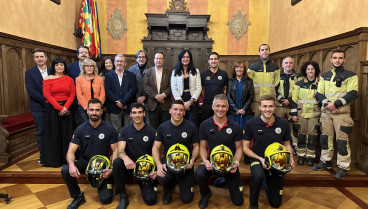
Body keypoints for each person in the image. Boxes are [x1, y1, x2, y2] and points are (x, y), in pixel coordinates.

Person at [61, 98, 118, 209]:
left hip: (103, 166)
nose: (94, 113)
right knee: (65, 170)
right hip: (86, 162)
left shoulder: (110, 129)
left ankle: (104, 185)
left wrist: (112, 168)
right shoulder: (80, 129)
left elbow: (116, 151)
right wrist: (72, 165)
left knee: (106, 199)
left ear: (102, 111)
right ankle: (77, 196)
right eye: (91, 110)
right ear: (87, 111)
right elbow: (70, 151)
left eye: (97, 110)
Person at [243, 95, 295, 209]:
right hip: (258, 158)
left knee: (276, 204)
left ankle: (267, 182)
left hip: (277, 160)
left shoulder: (284, 123)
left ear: (275, 108)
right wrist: (259, 158)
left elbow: (287, 144)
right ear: (260, 107)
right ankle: (253, 204)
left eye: (270, 106)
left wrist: (291, 157)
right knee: (258, 175)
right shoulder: (250, 124)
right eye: (265, 106)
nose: (268, 109)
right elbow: (245, 148)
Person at [313, 50, 358, 179]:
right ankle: (325, 161)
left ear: (345, 60)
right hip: (326, 113)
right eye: (335, 58)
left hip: (342, 115)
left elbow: (352, 93)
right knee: (325, 139)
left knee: (342, 141)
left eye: (340, 58)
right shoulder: (324, 76)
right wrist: (329, 104)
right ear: (330, 60)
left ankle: (343, 167)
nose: (337, 60)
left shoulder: (351, 75)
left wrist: (336, 104)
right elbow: (319, 93)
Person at [195, 94, 244, 208]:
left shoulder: (235, 126)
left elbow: (239, 148)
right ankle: (206, 193)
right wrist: (205, 160)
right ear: (212, 107)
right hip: (211, 163)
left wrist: (236, 162)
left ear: (227, 108)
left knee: (238, 202)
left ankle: (223, 179)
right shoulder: (205, 125)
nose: (220, 109)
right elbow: (202, 147)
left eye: (223, 106)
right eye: (217, 106)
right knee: (199, 173)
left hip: (230, 164)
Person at [152, 100, 199, 204]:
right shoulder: (162, 127)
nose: (178, 112)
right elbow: (155, 148)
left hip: (186, 164)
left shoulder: (191, 127)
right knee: (162, 177)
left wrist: (193, 159)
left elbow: (196, 147)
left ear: (184, 112)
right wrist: (159, 165)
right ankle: (168, 189)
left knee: (187, 199)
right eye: (175, 109)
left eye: (181, 110)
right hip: (168, 162)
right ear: (170, 111)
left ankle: (180, 181)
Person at [113, 102, 157, 209]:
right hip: (130, 166)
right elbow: (120, 150)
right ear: (131, 115)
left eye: (139, 112)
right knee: (117, 162)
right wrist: (126, 158)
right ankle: (122, 195)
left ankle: (146, 186)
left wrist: (154, 169)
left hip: (145, 169)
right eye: (134, 113)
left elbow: (156, 153)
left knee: (151, 200)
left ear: (143, 114)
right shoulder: (124, 130)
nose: (137, 115)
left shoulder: (152, 131)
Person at [42, 57, 75, 167]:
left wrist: (65, 107)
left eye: (62, 64)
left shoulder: (69, 79)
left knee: (66, 134)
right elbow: (47, 95)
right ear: (53, 67)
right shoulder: (48, 78)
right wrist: (60, 108)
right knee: (53, 134)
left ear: (65, 66)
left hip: (67, 107)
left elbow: (72, 95)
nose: (59, 67)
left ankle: (67, 159)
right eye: (57, 65)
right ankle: (53, 160)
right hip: (52, 108)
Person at [291, 61, 321, 166]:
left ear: (315, 70)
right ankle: (300, 155)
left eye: (312, 69)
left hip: (314, 115)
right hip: (301, 114)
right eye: (308, 69)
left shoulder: (320, 84)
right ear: (305, 71)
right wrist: (294, 114)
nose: (310, 71)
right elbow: (294, 100)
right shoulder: (299, 84)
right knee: (301, 136)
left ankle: (310, 157)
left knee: (312, 137)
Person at [25, 48, 50, 163]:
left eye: (41, 56)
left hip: (53, 107)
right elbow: (31, 91)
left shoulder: (52, 71)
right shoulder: (29, 72)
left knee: (52, 130)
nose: (40, 59)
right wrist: (47, 100)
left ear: (46, 58)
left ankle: (53, 154)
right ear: (34, 59)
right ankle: (44, 155)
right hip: (38, 107)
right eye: (37, 57)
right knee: (41, 131)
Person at [105, 54, 137, 132]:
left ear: (125, 63)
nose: (119, 63)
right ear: (114, 63)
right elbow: (108, 90)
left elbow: (133, 89)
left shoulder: (131, 75)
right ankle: (117, 144)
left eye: (121, 61)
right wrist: (118, 101)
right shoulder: (108, 75)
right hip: (114, 107)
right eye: (117, 61)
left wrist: (123, 102)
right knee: (116, 130)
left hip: (128, 106)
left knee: (129, 129)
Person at [275, 56, 302, 150]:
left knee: (294, 128)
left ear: (293, 65)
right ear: (282, 65)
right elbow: (273, 90)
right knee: (278, 127)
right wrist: (282, 100)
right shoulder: (277, 76)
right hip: (279, 106)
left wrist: (289, 101)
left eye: (290, 63)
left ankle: (295, 148)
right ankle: (278, 147)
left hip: (293, 106)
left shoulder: (298, 77)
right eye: (286, 63)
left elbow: (300, 92)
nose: (288, 65)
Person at [247, 44, 280, 116]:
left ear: (269, 51)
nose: (264, 51)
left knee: (270, 120)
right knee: (256, 120)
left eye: (266, 49)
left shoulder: (275, 68)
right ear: (259, 53)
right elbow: (248, 84)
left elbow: (277, 84)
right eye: (262, 50)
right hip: (256, 100)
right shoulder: (252, 67)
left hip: (270, 99)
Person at [171, 49, 202, 125]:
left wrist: (190, 102)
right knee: (180, 122)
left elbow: (199, 88)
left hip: (193, 100)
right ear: (180, 58)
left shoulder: (196, 71)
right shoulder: (175, 71)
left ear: (190, 58)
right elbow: (174, 88)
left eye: (187, 57)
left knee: (193, 123)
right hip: (180, 100)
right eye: (183, 57)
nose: (185, 59)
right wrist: (182, 103)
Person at [143, 52, 172, 129]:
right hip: (152, 105)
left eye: (160, 59)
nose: (158, 60)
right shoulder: (148, 72)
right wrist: (156, 96)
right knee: (153, 128)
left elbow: (171, 86)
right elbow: (146, 86)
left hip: (165, 104)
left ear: (163, 60)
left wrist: (163, 95)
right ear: (154, 60)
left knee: (166, 128)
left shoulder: (169, 72)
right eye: (157, 58)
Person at [201, 52, 228, 122]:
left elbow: (225, 89)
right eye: (211, 59)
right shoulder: (203, 75)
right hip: (206, 105)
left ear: (218, 60)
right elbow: (201, 90)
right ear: (208, 61)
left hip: (219, 106)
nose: (213, 61)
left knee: (219, 122)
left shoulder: (224, 74)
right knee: (206, 123)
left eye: (215, 59)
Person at [76, 59, 105, 123]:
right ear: (84, 68)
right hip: (83, 107)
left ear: (94, 68)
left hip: (97, 108)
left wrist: (98, 106)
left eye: (91, 66)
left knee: (97, 124)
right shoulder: (78, 79)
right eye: (87, 66)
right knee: (86, 125)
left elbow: (102, 94)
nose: (89, 68)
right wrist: (88, 108)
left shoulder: (100, 79)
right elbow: (79, 95)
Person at [227, 61, 254, 129]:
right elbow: (228, 96)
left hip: (246, 112)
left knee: (245, 132)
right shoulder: (230, 81)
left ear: (244, 69)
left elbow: (251, 96)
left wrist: (243, 109)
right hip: (233, 112)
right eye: (237, 67)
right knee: (233, 131)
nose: (239, 69)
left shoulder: (249, 81)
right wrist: (236, 109)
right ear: (234, 69)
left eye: (241, 67)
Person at [128, 50, 151, 125]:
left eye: (143, 57)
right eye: (139, 57)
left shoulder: (151, 69)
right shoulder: (131, 70)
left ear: (146, 58)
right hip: (135, 100)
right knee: (135, 123)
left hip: (148, 101)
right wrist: (137, 98)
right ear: (136, 59)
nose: (141, 59)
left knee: (148, 123)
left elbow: (153, 86)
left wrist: (145, 97)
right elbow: (129, 86)